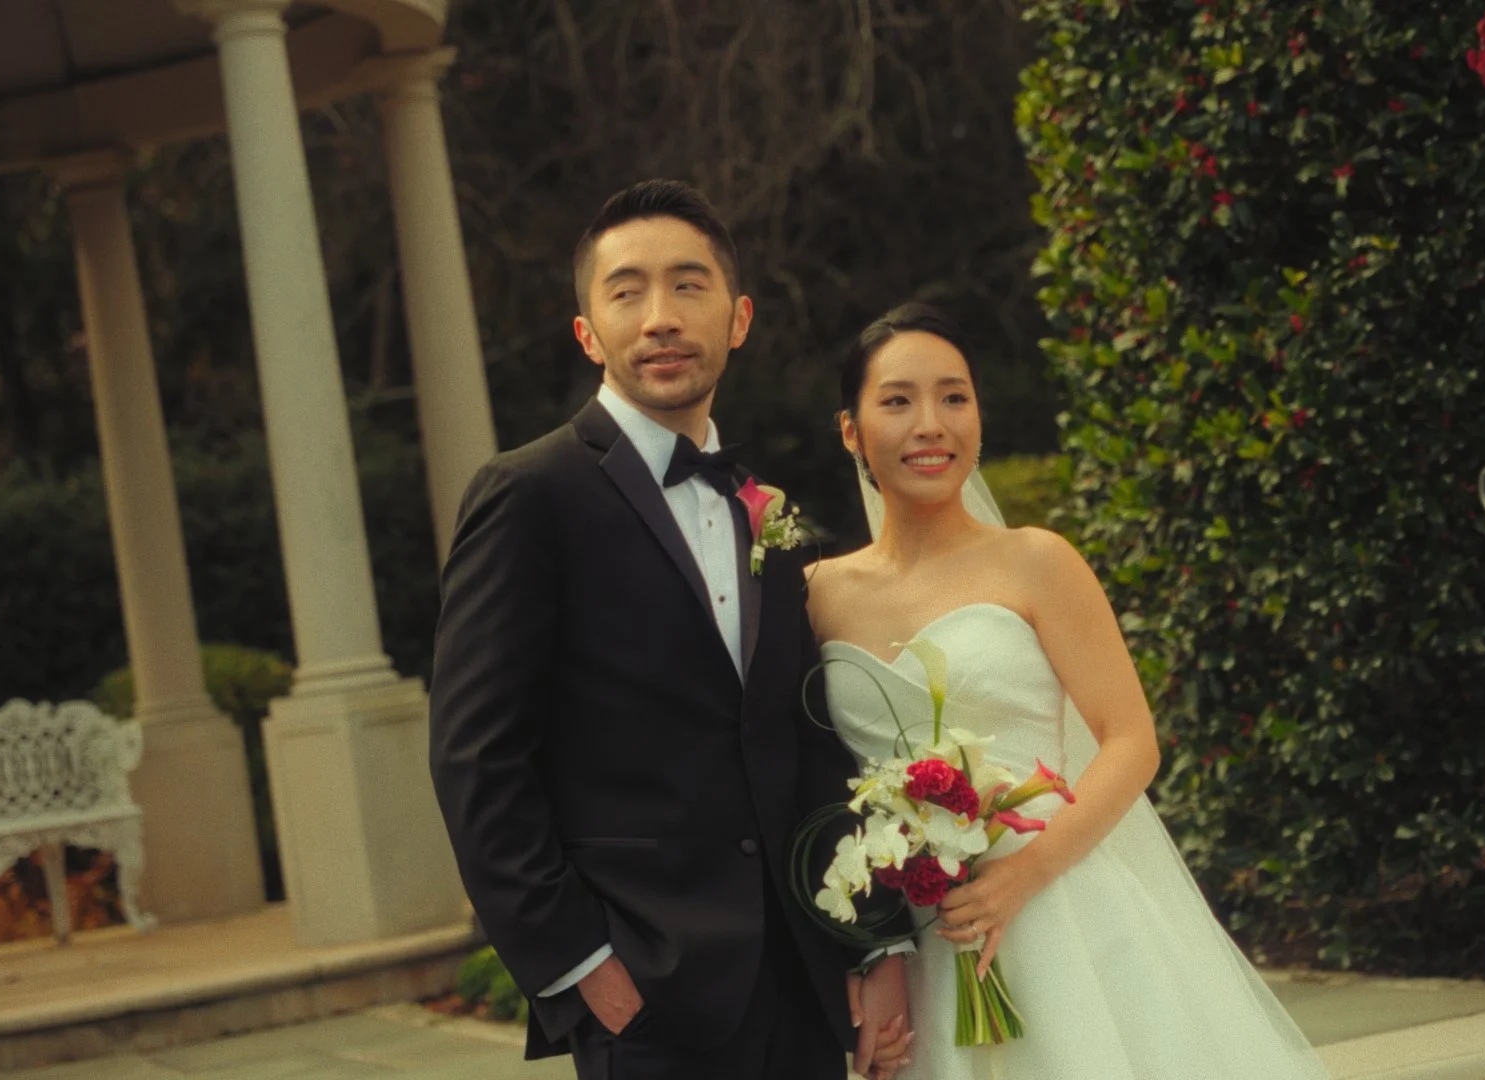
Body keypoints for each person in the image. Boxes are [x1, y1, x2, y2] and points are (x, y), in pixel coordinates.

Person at [428, 179, 914, 1080]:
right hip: (645, 998)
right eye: (627, 291)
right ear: (587, 333)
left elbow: (806, 741)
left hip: (800, 994)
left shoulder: (763, 510)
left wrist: (875, 941)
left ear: (738, 318)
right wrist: (583, 968)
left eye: (689, 285)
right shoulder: (529, 495)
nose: (660, 317)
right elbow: (476, 761)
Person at [804, 302, 1331, 1079]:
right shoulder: (815, 595)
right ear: (851, 431)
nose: (930, 425)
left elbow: (1131, 741)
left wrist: (1025, 874)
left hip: (1062, 914)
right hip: (918, 942)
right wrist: (864, 955)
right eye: (897, 401)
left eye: (954, 397)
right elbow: (810, 786)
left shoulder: (1038, 562)